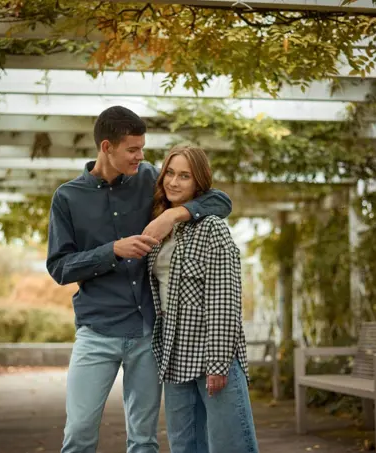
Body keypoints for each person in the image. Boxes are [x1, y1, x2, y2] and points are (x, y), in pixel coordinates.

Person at [46, 106, 233, 453]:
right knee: (79, 434)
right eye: (133, 149)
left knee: (144, 440)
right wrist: (112, 250)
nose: (141, 156)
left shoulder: (150, 179)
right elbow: (59, 267)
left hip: (148, 333)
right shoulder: (67, 197)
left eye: (142, 148)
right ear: (107, 147)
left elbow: (220, 200)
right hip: (96, 332)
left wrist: (174, 215)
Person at [147, 144, 259, 453]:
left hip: (211, 351)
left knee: (231, 446)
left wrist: (219, 363)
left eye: (185, 176)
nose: (174, 182)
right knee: (184, 446)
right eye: (170, 173)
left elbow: (225, 300)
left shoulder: (212, 229)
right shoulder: (162, 228)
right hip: (174, 350)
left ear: (199, 183)